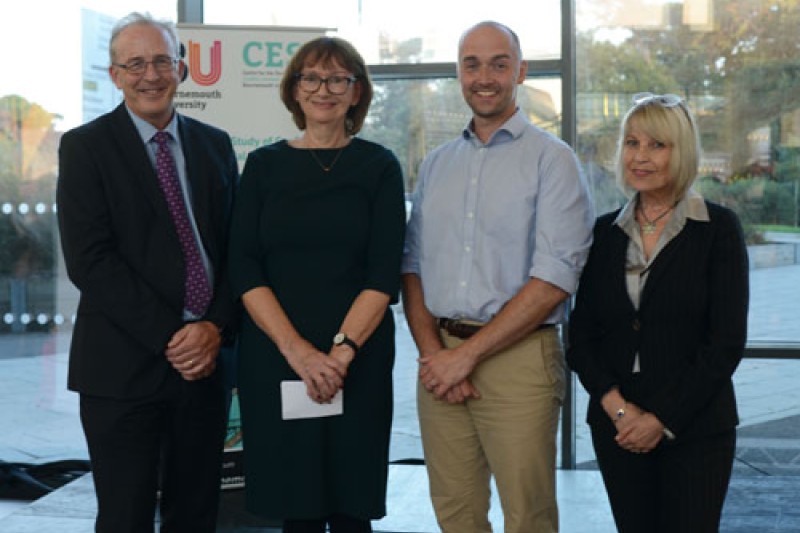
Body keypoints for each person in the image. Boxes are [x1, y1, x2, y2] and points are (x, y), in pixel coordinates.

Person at [401, 20, 595, 533]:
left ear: (521, 72)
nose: (483, 76)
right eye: (472, 64)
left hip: (518, 363)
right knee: (456, 513)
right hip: (439, 360)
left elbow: (554, 277)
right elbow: (413, 267)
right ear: (459, 73)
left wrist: (466, 356)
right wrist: (435, 356)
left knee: (527, 516)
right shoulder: (437, 164)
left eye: (498, 63)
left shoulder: (554, 161)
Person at [56, 12, 238, 533]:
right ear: (115, 75)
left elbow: (236, 251)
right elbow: (90, 259)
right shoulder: (85, 147)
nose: (150, 75)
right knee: (125, 517)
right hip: (121, 369)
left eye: (161, 60)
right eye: (134, 64)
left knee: (197, 513)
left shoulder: (214, 144)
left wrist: (212, 329)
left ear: (181, 68)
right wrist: (173, 336)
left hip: (205, 363)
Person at [227, 36, 406, 533]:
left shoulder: (379, 167)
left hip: (359, 358)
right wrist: (302, 354)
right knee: (297, 506)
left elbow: (382, 272)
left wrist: (340, 353)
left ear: (356, 92)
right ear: (294, 89)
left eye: (337, 79)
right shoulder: (263, 167)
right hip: (279, 357)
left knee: (352, 507)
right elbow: (244, 267)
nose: (322, 88)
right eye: (310, 76)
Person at [566, 93, 749, 532]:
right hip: (617, 429)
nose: (640, 157)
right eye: (632, 143)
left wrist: (660, 419)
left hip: (698, 430)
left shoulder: (718, 229)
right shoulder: (603, 233)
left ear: (681, 151)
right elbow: (582, 337)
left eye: (657, 145)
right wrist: (622, 413)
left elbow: (724, 344)